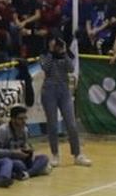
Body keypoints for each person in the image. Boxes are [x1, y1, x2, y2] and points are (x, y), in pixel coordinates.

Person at [38, 33, 92, 166]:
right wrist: (51, 53)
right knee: (53, 125)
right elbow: (46, 68)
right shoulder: (43, 55)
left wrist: (63, 52)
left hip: (64, 90)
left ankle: (77, 154)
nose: (54, 45)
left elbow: (71, 68)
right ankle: (55, 154)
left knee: (71, 124)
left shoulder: (63, 54)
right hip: (49, 91)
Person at [0, 105, 53, 178]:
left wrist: (28, 150)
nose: (24, 121)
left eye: (25, 118)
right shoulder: (3, 131)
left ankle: (27, 174)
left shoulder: (24, 130)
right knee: (20, 165)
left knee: (44, 157)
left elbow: (24, 146)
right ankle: (34, 171)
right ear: (13, 119)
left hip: (20, 158)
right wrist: (12, 152)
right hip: (6, 160)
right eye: (20, 119)